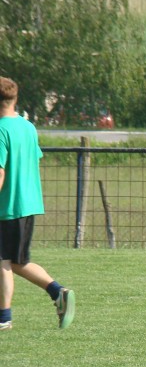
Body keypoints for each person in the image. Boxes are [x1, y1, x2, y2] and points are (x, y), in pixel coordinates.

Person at [0, 77, 75, 331]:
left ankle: (4, 318)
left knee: (3, 262)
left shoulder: (0, 130)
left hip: (7, 207)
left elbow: (0, 172)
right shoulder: (28, 127)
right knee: (16, 261)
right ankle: (57, 292)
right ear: (15, 98)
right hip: (28, 204)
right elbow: (33, 159)